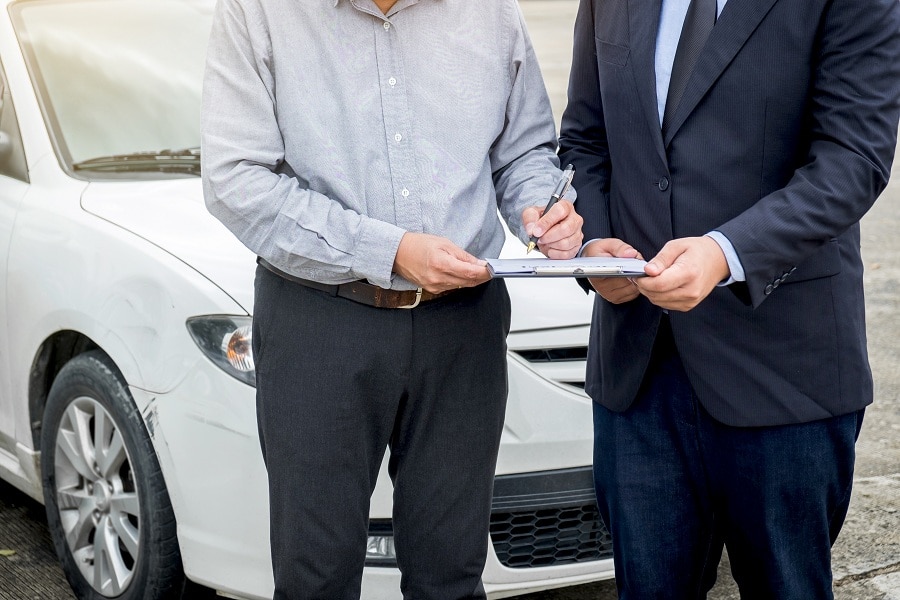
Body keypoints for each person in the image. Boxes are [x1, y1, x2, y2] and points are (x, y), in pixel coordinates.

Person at [200, 0, 583, 598]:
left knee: (452, 575)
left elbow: (523, 151)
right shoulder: (258, 11)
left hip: (465, 323)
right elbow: (236, 180)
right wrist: (391, 250)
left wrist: (539, 205)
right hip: (317, 320)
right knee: (315, 577)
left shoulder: (491, 12)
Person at [558, 0, 900, 597]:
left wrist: (725, 252)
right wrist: (594, 246)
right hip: (637, 376)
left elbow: (853, 158)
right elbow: (585, 141)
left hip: (784, 371)